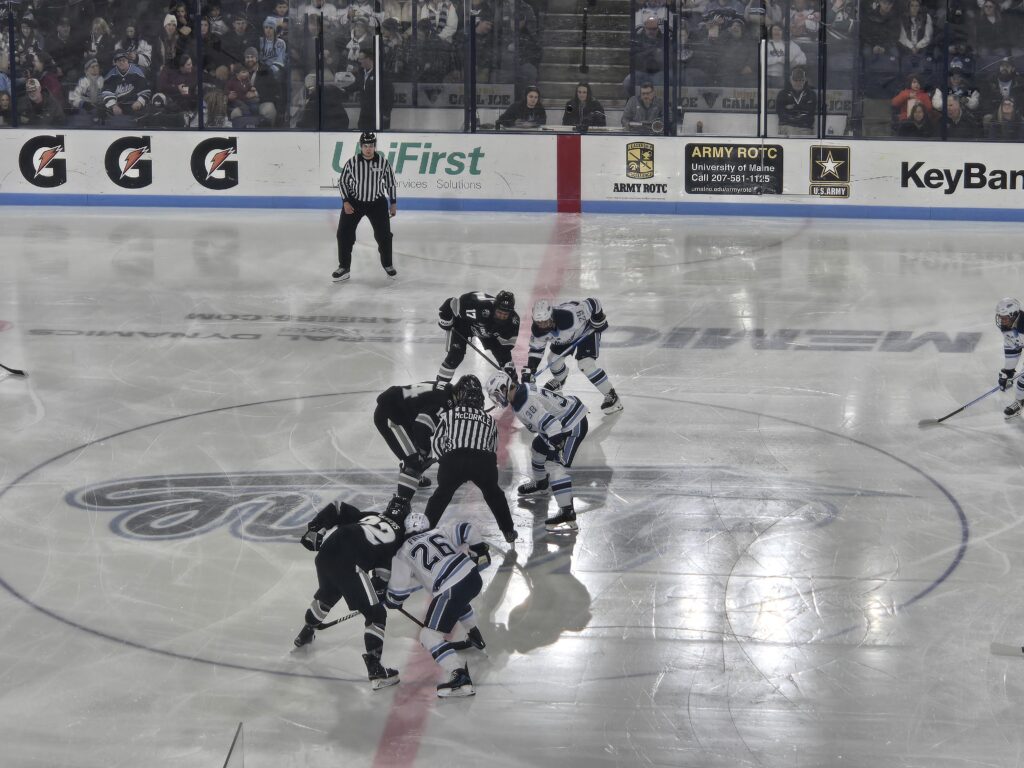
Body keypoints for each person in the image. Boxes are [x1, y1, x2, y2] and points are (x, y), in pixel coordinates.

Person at [292, 496, 407, 690]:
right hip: (350, 563)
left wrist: (316, 528)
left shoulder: (370, 515)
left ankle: (306, 632)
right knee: (376, 614)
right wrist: (380, 591)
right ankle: (376, 669)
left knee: (328, 593)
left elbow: (337, 507)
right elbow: (383, 572)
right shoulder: (400, 536)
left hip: (327, 552)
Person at [383, 511, 491, 697]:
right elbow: (467, 528)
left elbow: (398, 593)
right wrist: (479, 550)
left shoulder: (402, 553)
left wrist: (390, 600)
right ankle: (475, 635)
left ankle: (459, 675)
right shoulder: (439, 532)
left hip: (450, 588)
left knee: (429, 635)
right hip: (472, 577)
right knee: (458, 604)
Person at [486, 371, 589, 532]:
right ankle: (541, 483)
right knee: (538, 448)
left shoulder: (525, 403)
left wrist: (557, 445)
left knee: (554, 466)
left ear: (504, 388)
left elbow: (551, 425)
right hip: (563, 420)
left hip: (571, 425)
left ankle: (567, 512)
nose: (498, 400)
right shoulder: (521, 392)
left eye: (498, 395)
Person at [424, 375, 518, 542]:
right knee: (495, 495)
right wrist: (487, 467)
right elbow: (493, 447)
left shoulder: (449, 414)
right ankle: (508, 530)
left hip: (453, 461)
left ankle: (424, 529)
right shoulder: (489, 419)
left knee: (441, 495)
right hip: (482, 462)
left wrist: (444, 460)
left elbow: (438, 442)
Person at [523, 298, 622, 415]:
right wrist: (531, 369)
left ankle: (611, 395)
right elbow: (536, 350)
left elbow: (594, 303)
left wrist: (598, 319)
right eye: (539, 323)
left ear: (551, 316)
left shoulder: (570, 317)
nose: (543, 326)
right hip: (563, 338)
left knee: (586, 364)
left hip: (585, 331)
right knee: (553, 360)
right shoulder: (537, 330)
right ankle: (560, 380)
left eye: (545, 321)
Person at [333, 131, 398, 282]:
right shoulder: (352, 162)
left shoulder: (383, 162)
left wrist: (393, 203)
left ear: (375, 146)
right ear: (361, 146)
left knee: (384, 236)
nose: (368, 149)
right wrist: (346, 201)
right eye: (365, 146)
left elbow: (390, 183)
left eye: (371, 146)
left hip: (377, 203)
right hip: (354, 202)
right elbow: (342, 182)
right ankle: (344, 267)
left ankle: (388, 265)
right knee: (343, 234)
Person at [373, 380, 453, 501]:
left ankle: (411, 471)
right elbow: (421, 426)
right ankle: (400, 503)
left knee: (425, 455)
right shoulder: (444, 404)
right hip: (393, 416)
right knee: (414, 460)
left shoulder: (448, 389)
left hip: (402, 413)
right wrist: (424, 450)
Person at [435, 290, 520, 386]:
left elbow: (506, 347)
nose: (501, 316)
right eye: (499, 312)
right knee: (455, 356)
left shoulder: (513, 321)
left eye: (505, 315)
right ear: (494, 307)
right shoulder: (478, 307)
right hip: (465, 325)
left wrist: (506, 364)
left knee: (505, 361)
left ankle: (514, 387)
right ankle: (440, 386)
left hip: (490, 332)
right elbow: (451, 303)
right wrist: (446, 322)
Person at [345, 47, 394, 131]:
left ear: (369, 59)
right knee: (363, 135)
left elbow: (389, 94)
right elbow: (357, 85)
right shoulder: (361, 72)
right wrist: (342, 90)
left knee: (379, 139)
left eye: (361, 59)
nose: (359, 61)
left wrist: (386, 113)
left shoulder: (381, 73)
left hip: (379, 113)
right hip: (365, 113)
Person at [101, 51, 152, 124]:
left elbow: (145, 90)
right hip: (118, 106)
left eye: (124, 60)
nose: (122, 62)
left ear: (128, 61)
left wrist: (140, 102)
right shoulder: (111, 75)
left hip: (134, 105)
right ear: (115, 63)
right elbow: (106, 91)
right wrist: (113, 105)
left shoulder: (136, 72)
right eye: (119, 61)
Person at [996, 298, 1024, 417]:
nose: (1002, 321)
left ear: (1014, 315)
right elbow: (1013, 350)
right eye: (1000, 317)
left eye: (1005, 318)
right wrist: (1008, 372)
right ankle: (1019, 402)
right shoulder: (1008, 328)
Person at [775, 64, 815, 135]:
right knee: (790, 130)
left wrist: (791, 109)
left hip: (804, 127)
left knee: (805, 132)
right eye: (795, 80)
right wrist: (800, 112)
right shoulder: (782, 94)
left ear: (805, 80)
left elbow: (810, 114)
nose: (798, 83)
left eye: (800, 80)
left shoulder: (811, 94)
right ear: (790, 80)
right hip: (788, 126)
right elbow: (781, 113)